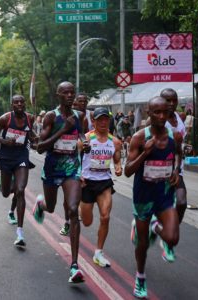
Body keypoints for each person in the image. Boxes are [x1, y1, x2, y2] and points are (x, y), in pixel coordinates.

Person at [124, 96, 182, 298]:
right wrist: (144, 154)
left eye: (165, 112)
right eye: (156, 112)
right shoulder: (140, 137)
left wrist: (175, 171)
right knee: (142, 244)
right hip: (144, 196)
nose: (161, 116)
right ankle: (140, 276)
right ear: (149, 113)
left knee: (172, 238)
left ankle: (153, 226)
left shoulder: (175, 136)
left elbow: (177, 154)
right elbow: (128, 171)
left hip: (164, 194)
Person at [33, 81, 86, 283]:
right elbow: (40, 147)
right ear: (58, 95)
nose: (70, 95)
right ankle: (41, 205)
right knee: (52, 206)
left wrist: (85, 143)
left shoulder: (79, 116)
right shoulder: (51, 117)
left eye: (72, 92)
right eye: (66, 92)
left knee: (73, 210)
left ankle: (74, 265)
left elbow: (80, 134)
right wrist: (63, 130)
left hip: (72, 167)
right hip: (53, 167)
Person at [0, 95, 37, 248]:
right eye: (16, 102)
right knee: (6, 192)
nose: (19, 104)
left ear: (25, 104)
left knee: (21, 190)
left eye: (22, 102)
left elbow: (31, 135)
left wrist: (37, 140)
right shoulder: (5, 119)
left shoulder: (30, 118)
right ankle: (4, 183)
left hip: (21, 156)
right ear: (12, 105)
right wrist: (5, 142)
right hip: (6, 157)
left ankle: (20, 233)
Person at [79, 107, 123, 267]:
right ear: (94, 121)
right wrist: (78, 174)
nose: (104, 122)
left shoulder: (115, 142)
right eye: (100, 119)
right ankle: (79, 208)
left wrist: (118, 167)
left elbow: (117, 160)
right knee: (87, 222)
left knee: (105, 217)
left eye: (106, 119)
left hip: (104, 182)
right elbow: (75, 159)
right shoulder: (86, 139)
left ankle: (98, 252)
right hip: (87, 183)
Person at [161, 88, 191, 262]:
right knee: (153, 211)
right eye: (167, 100)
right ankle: (142, 226)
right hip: (157, 172)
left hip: (176, 171)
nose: (171, 104)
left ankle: (169, 237)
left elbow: (179, 145)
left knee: (181, 202)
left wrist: (183, 148)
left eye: (174, 100)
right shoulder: (156, 120)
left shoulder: (180, 118)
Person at [59, 93, 91, 237]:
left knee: (78, 195)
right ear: (75, 103)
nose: (83, 103)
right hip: (69, 160)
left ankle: (74, 215)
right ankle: (68, 221)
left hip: (88, 159)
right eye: (80, 101)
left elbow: (83, 134)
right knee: (69, 195)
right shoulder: (68, 115)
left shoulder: (89, 116)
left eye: (85, 101)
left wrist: (85, 142)